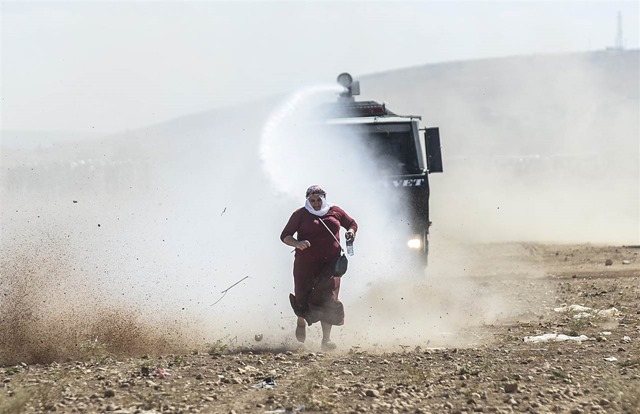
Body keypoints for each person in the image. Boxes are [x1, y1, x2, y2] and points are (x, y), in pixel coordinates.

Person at [280, 185, 358, 351]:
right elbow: (285, 236)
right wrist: (297, 243)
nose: (315, 203)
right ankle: (301, 321)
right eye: (312, 200)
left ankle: (326, 340)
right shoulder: (300, 214)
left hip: (330, 265)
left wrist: (351, 232)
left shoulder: (335, 211)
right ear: (307, 200)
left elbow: (351, 223)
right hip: (305, 264)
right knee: (303, 296)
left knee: (328, 298)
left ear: (324, 199)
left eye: (318, 200)